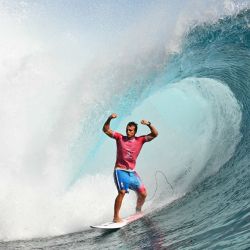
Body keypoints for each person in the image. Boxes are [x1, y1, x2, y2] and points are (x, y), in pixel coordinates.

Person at [103, 113, 158, 222]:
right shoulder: (120, 138)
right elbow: (105, 130)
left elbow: (155, 134)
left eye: (131, 130)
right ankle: (116, 217)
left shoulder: (140, 140)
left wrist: (148, 124)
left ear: (135, 132)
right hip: (120, 171)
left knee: (143, 193)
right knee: (122, 192)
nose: (128, 132)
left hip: (132, 173)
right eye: (127, 129)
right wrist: (109, 118)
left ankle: (138, 210)